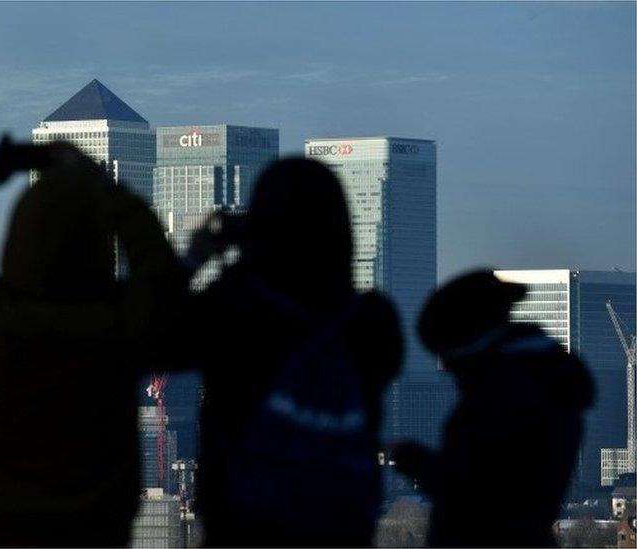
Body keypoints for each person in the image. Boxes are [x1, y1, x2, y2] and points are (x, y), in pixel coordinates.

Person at [0, 139, 185, 547]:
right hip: (97, 532)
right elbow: (164, 277)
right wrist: (108, 190)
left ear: (17, 241)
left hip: (0, 533)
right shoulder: (119, 323)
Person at [183, 158, 403, 546]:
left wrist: (200, 257)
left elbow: (143, 335)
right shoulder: (373, 321)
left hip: (245, 525)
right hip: (340, 525)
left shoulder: (232, 310)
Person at [390, 270, 594, 547]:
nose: (452, 373)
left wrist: (420, 464)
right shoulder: (544, 381)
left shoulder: (509, 394)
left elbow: (487, 496)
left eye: (453, 359)